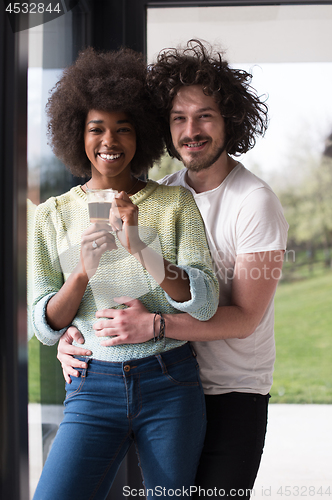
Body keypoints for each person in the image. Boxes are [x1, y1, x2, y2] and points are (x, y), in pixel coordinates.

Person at [57, 40, 289, 499]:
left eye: (205, 115)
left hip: (231, 393)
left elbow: (245, 318)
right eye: (179, 118)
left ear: (230, 121)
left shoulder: (254, 203)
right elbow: (113, 281)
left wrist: (156, 324)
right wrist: (73, 337)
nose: (191, 130)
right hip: (164, 385)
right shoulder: (163, 195)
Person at [31, 46, 219, 500]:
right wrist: (82, 273)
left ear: (143, 136)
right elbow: (44, 323)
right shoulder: (52, 215)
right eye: (97, 128)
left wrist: (140, 247)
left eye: (123, 129)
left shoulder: (175, 204)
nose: (109, 141)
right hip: (91, 386)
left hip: (169, 382)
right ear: (77, 133)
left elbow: (207, 301)